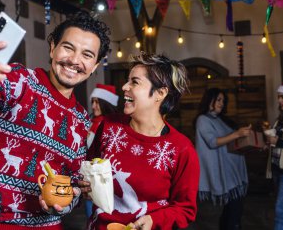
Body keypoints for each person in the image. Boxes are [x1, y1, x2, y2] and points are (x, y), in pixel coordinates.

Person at [0, 11, 110, 230]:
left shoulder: (82, 120)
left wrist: (65, 203)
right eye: (68, 47)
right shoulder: (19, 82)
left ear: (94, 66)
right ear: (52, 48)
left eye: (87, 55)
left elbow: (72, 182)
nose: (75, 60)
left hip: (48, 225)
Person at [80, 53, 200, 230]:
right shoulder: (108, 126)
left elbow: (185, 208)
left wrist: (154, 220)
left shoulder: (182, 149)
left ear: (160, 93)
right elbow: (88, 168)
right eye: (128, 80)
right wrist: (84, 185)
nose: (124, 86)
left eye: (134, 82)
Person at [194, 88, 251, 230]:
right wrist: (237, 134)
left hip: (233, 174)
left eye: (223, 101)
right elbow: (213, 142)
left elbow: (231, 142)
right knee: (232, 214)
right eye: (218, 100)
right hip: (224, 175)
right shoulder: (203, 120)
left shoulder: (221, 119)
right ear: (209, 100)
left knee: (232, 213)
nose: (221, 103)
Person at [84, 83, 119, 218]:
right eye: (93, 102)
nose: (93, 106)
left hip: (104, 179)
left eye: (97, 102)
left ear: (106, 103)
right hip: (89, 176)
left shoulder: (111, 125)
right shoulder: (91, 122)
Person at [265, 82, 283, 230]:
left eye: (282, 97)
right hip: (278, 169)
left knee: (280, 210)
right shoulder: (280, 119)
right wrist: (269, 142)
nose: (279, 100)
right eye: (278, 97)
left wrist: (279, 142)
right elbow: (277, 143)